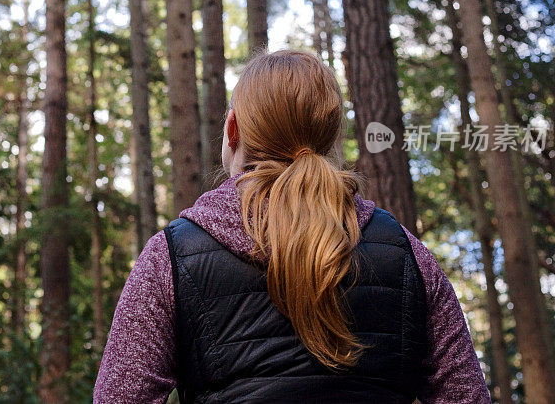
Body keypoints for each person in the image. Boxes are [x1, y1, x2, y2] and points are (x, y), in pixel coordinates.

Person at [95, 50, 490, 403]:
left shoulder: (172, 256)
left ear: (232, 130)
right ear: (329, 138)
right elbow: (465, 395)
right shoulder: (407, 254)